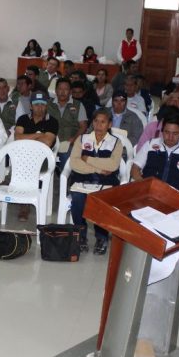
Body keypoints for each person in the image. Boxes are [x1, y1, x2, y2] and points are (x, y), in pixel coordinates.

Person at [69, 108, 123, 254]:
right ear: (92, 122)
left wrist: (87, 159)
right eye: (96, 121)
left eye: (103, 122)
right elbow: (74, 163)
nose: (99, 125)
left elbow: (113, 165)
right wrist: (98, 169)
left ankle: (101, 237)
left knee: (102, 204)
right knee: (78, 200)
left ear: (109, 124)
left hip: (106, 183)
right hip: (82, 180)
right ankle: (81, 235)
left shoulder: (116, 143)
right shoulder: (82, 139)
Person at [131, 111, 179, 198]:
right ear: (162, 131)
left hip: (175, 197)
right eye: (167, 132)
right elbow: (134, 169)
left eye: (175, 133)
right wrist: (144, 185)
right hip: (147, 193)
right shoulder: (150, 144)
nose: (170, 137)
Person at [14, 91, 58, 221]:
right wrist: (39, 135)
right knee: (23, 162)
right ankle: (24, 200)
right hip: (22, 157)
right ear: (31, 106)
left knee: (27, 165)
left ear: (47, 106)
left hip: (43, 158)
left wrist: (27, 138)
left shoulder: (52, 121)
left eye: (43, 104)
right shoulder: (22, 119)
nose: (40, 107)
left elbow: (48, 141)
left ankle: (25, 205)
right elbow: (17, 138)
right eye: (36, 104)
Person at [47, 78, 87, 169]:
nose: (62, 92)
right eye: (60, 89)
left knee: (66, 157)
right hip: (50, 141)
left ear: (70, 91)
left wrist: (73, 139)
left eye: (66, 89)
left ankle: (64, 180)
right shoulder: (48, 104)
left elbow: (83, 127)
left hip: (69, 142)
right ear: (56, 90)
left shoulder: (78, 105)